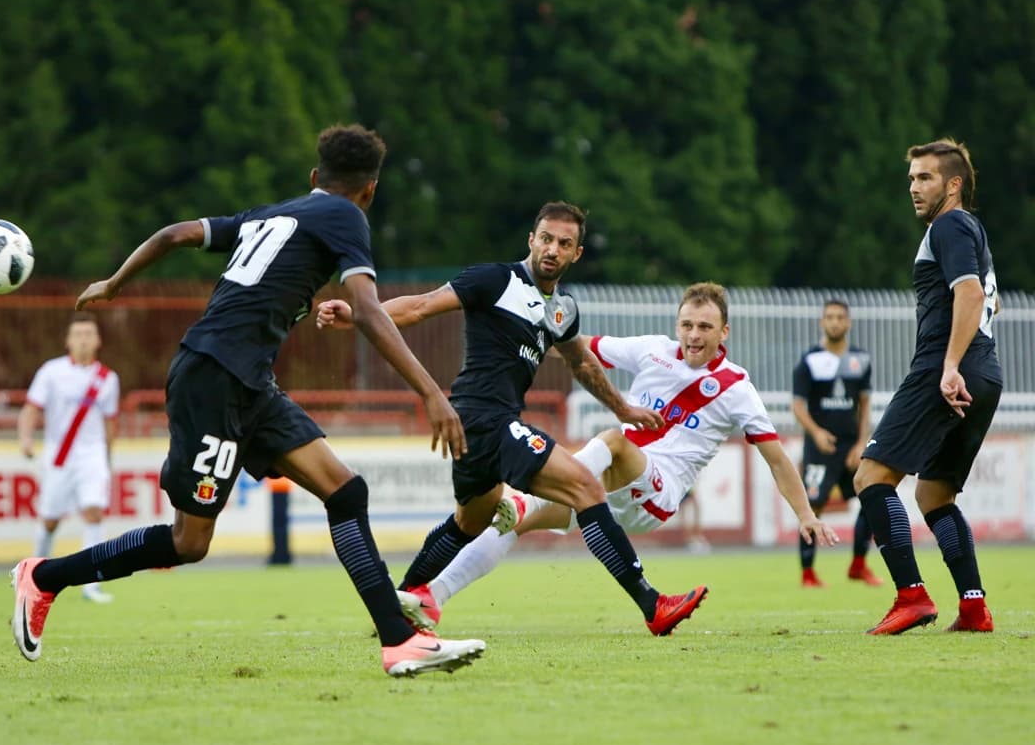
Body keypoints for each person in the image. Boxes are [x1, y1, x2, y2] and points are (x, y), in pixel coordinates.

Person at [9, 124, 485, 677]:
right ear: (370, 190)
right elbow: (373, 311)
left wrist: (116, 282)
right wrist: (432, 392)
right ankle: (43, 578)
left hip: (246, 380)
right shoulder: (348, 215)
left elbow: (174, 235)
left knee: (346, 491)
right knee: (189, 543)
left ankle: (399, 642)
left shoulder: (269, 215)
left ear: (313, 178)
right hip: (215, 379)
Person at [319, 204, 710, 638]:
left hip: (478, 430)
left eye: (564, 244)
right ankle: (651, 604)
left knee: (469, 523)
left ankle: (400, 606)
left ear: (576, 254)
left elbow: (582, 364)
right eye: (546, 238)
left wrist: (623, 409)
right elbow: (420, 307)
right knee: (585, 486)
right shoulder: (495, 279)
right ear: (531, 239)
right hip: (483, 417)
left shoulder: (562, 309)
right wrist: (358, 315)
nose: (552, 249)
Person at [410, 283, 838, 616]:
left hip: (657, 493)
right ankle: (431, 600)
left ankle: (526, 499)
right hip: (606, 488)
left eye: (705, 327)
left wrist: (804, 514)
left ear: (724, 332)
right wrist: (523, 341)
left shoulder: (737, 387)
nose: (693, 335)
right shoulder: (652, 350)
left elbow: (777, 458)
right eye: (687, 324)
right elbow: (575, 351)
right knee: (507, 525)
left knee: (614, 439)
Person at [855, 139, 1001, 635]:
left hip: (948, 371)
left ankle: (912, 597)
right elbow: (987, 301)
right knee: (935, 496)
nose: (914, 187)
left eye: (926, 177)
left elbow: (971, 291)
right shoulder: (971, 231)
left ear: (953, 184)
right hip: (986, 374)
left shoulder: (950, 223)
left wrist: (949, 365)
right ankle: (974, 607)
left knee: (870, 477)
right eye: (912, 178)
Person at [18, 313, 120, 604]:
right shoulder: (51, 371)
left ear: (98, 340)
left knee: (94, 512)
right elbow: (31, 409)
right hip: (59, 456)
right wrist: (25, 439)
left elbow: (110, 422)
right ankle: (34, 575)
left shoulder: (108, 379)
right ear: (68, 340)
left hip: (92, 454)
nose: (84, 339)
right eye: (78, 334)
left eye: (89, 333)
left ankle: (92, 583)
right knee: (50, 520)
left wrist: (108, 457)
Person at [791, 300, 882, 587]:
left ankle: (858, 564)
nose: (834, 322)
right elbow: (798, 407)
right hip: (820, 446)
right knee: (813, 505)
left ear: (848, 322)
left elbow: (865, 405)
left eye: (839, 317)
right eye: (829, 317)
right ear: (822, 322)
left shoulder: (861, 360)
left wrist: (861, 442)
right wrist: (816, 433)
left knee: (870, 497)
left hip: (851, 447)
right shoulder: (809, 361)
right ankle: (807, 572)